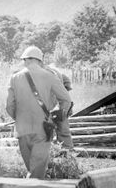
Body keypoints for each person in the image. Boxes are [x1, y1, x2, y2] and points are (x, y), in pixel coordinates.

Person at [6, 45, 72, 179]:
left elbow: (9, 106)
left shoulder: (14, 77)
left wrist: (19, 118)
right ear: (40, 61)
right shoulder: (50, 76)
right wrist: (58, 116)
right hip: (43, 128)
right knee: (37, 173)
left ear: (25, 60)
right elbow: (66, 100)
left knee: (32, 169)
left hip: (22, 130)